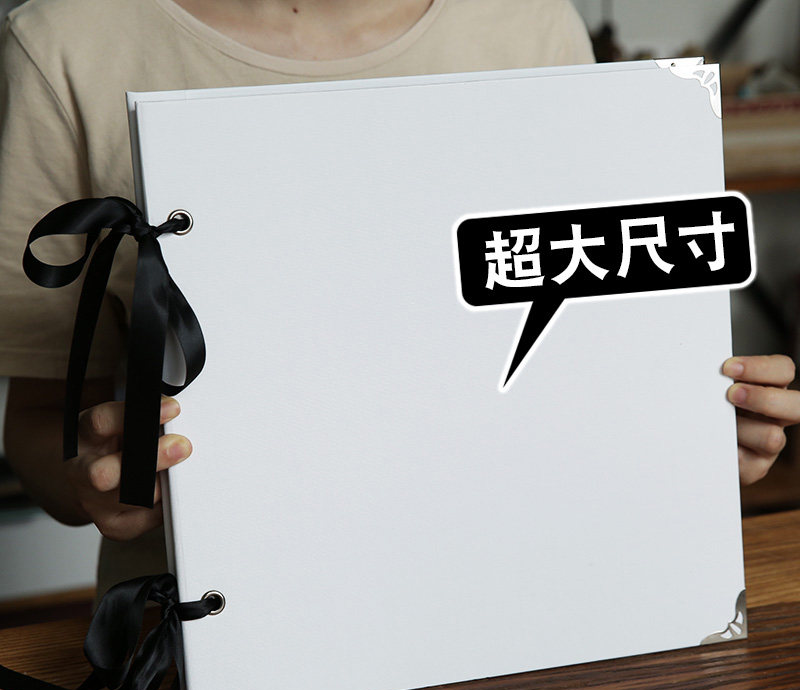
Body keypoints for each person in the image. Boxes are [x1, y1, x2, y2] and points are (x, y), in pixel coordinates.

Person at [1, 0, 798, 596]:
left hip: (532, 603)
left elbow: (577, 353)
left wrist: (681, 436)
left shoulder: (530, 24)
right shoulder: (67, 46)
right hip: (212, 650)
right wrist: (97, 478)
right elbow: (37, 425)